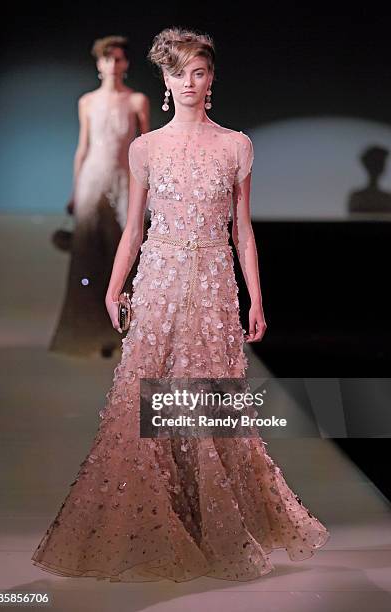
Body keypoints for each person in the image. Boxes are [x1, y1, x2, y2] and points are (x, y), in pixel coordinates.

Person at [32, 27, 330, 582]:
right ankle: (157, 517)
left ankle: (210, 521)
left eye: (198, 72)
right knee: (146, 397)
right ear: (164, 81)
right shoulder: (145, 147)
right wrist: (114, 284)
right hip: (159, 283)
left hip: (216, 283)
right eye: (178, 73)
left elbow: (243, 232)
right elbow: (133, 228)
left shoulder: (236, 145)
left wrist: (256, 297)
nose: (189, 83)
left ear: (211, 78)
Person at [49, 35, 150, 359]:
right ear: (99, 64)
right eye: (108, 59)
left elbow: (146, 147)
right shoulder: (87, 102)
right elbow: (83, 148)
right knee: (87, 257)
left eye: (119, 59)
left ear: (126, 64)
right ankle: (90, 332)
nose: (113, 65)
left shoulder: (137, 101)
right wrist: (74, 190)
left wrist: (149, 188)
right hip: (93, 180)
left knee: (126, 257)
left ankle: (127, 334)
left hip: (123, 181)